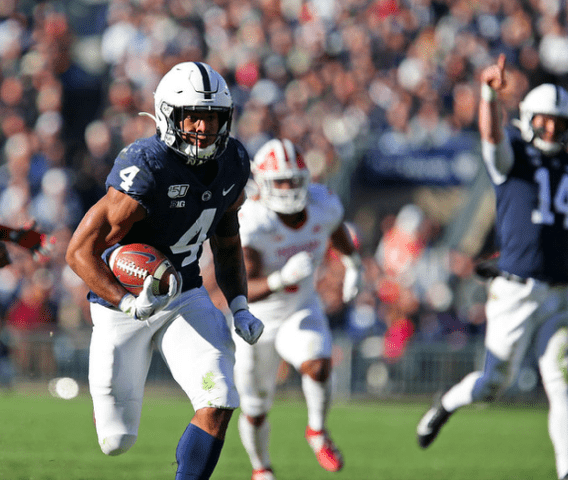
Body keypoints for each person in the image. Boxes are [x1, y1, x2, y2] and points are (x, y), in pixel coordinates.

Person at [65, 61, 264, 480]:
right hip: (122, 303)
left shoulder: (233, 162)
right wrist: (127, 303)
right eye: (193, 115)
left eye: (212, 118)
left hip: (185, 294)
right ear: (168, 115)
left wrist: (240, 305)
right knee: (116, 441)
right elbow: (79, 252)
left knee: (222, 396)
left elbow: (226, 243)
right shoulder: (147, 166)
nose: (203, 128)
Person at [416, 55, 568, 480]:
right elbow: (491, 136)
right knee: (493, 384)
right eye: (545, 120)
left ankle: (567, 472)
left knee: (561, 382)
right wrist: (487, 95)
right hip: (515, 290)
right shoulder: (512, 157)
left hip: (557, 291)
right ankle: (446, 405)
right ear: (529, 119)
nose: (552, 129)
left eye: (560, 122)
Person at [233, 138, 362, 480]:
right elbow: (243, 288)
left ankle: (317, 430)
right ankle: (261, 469)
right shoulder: (253, 221)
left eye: (294, 179)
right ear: (262, 183)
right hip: (256, 322)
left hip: (299, 309)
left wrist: (354, 266)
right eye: (280, 181)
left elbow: (337, 233)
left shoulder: (323, 203)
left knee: (319, 364)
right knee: (255, 408)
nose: (289, 187)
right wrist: (279, 279)